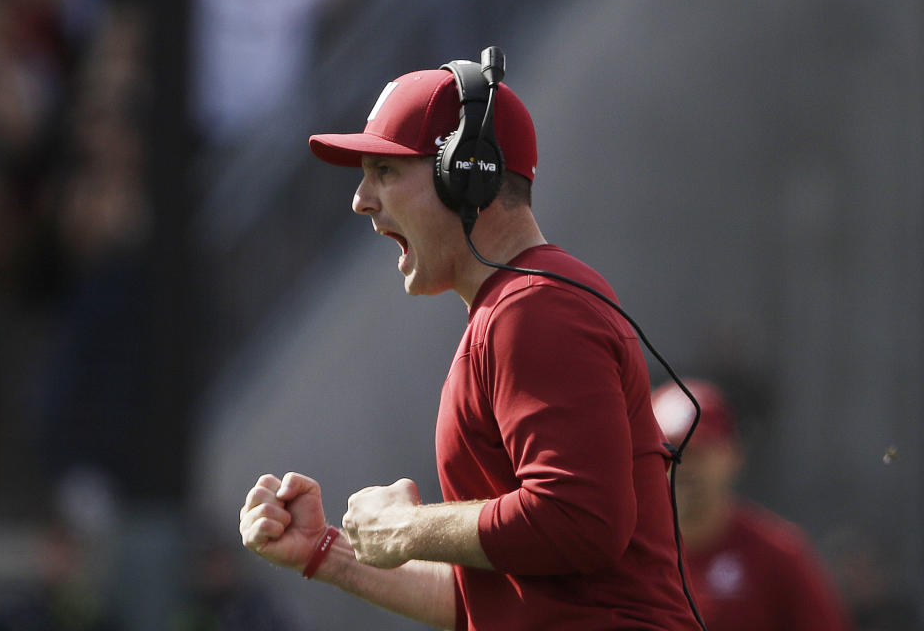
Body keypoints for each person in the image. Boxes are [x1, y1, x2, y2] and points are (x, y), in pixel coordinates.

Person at [239, 51, 701, 630]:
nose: (360, 199)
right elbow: (491, 601)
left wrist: (407, 527)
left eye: (384, 171)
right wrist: (324, 553)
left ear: (466, 173)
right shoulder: (516, 307)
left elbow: (580, 520)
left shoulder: (536, 307)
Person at [651, 377, 856, 631]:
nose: (683, 465)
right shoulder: (622, 552)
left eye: (697, 452)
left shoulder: (777, 555)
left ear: (733, 455)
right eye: (669, 452)